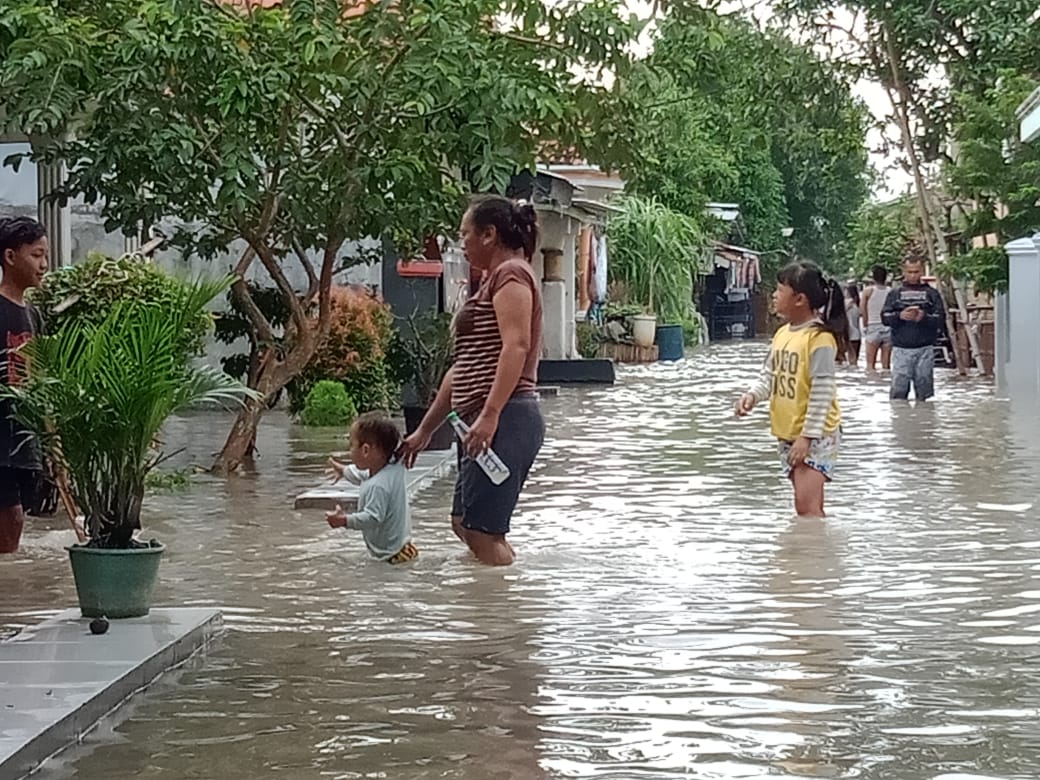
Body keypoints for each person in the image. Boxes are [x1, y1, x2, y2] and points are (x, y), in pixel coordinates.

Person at [400, 195, 545, 566]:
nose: (460, 243)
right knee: (464, 524)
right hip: (478, 421)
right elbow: (462, 367)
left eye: (465, 235)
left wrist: (492, 414)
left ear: (489, 235)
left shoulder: (512, 274)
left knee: (482, 532)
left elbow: (517, 345)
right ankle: (491, 602)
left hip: (506, 418)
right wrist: (425, 431)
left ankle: (503, 616)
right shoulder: (491, 282)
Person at [735, 262, 845, 518]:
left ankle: (814, 554)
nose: (774, 295)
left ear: (799, 299)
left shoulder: (819, 339)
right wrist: (752, 395)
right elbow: (769, 376)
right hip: (790, 432)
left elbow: (822, 391)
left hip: (815, 434)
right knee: (804, 506)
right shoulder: (783, 334)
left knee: (807, 509)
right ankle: (812, 554)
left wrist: (807, 437)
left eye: (779, 289)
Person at [0, 217, 48, 553]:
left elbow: (41, 376)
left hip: (23, 438)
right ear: (10, 257)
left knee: (15, 521)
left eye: (46, 256)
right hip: (0, 439)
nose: (44, 265)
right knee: (11, 519)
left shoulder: (34, 314)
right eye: (36, 255)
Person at [325, 412, 418, 564]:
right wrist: (344, 470)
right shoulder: (393, 469)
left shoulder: (378, 486)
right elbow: (362, 475)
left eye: (351, 445)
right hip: (404, 550)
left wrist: (345, 520)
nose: (350, 450)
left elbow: (372, 518)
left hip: (392, 557)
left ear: (366, 450)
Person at [881, 256, 946, 401]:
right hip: (901, 349)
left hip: (925, 348)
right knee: (898, 393)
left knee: (925, 395)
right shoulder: (894, 294)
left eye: (916, 272)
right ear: (904, 271)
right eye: (909, 272)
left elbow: (941, 319)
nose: (913, 275)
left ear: (922, 271)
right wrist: (900, 316)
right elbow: (885, 318)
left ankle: (924, 421)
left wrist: (924, 317)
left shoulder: (932, 294)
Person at [861, 264, 892, 372]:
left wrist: (865, 325)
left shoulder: (868, 291)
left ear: (873, 277)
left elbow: (863, 310)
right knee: (886, 366)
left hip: (872, 326)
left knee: (870, 366)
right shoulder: (890, 291)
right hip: (888, 327)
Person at [844, 284, 861, 367]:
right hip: (857, 333)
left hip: (849, 333)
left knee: (850, 358)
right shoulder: (858, 304)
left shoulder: (847, 302)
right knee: (855, 359)